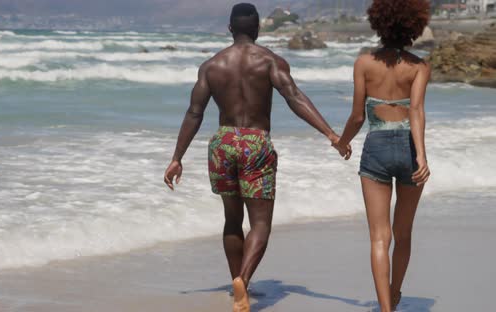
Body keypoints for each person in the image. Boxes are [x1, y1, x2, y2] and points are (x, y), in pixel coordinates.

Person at [163, 3, 349, 311]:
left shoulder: (211, 65)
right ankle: (243, 282)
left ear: (230, 29)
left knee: (232, 220)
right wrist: (330, 134)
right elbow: (295, 97)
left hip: (222, 143)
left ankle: (238, 283)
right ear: (259, 28)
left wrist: (176, 157)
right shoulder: (270, 61)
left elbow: (194, 113)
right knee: (261, 224)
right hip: (255, 143)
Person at [335, 1, 432, 311]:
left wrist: (342, 141)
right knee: (403, 235)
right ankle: (395, 291)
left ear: (379, 22)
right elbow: (416, 111)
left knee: (380, 237)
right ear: (414, 26)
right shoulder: (419, 66)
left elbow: (357, 117)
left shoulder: (363, 63)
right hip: (408, 148)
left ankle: (385, 308)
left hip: (376, 148)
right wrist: (422, 157)